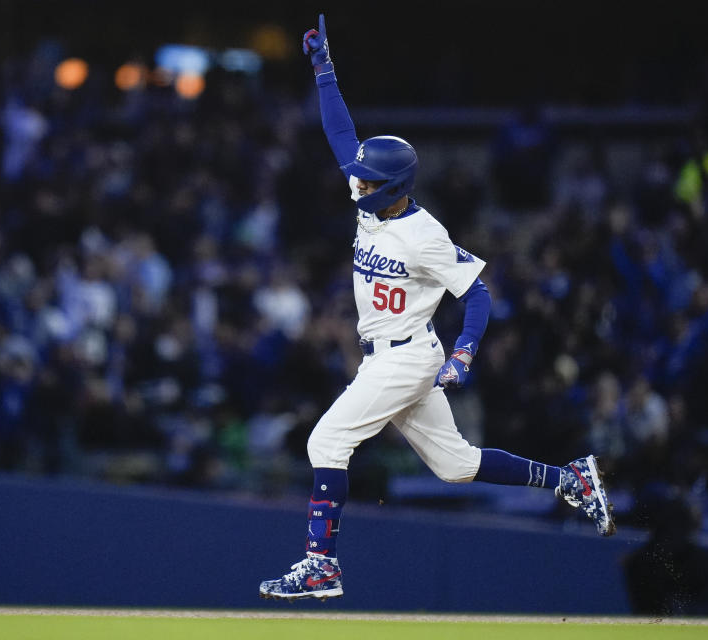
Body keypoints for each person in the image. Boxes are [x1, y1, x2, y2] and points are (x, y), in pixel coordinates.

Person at [258, 15, 615, 602]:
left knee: (325, 443)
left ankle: (320, 565)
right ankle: (569, 478)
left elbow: (477, 291)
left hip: (405, 358)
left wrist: (466, 352)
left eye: (369, 182)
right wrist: (324, 71)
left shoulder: (424, 234)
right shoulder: (370, 205)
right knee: (455, 465)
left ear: (396, 187)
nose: (357, 184)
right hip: (393, 354)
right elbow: (343, 140)